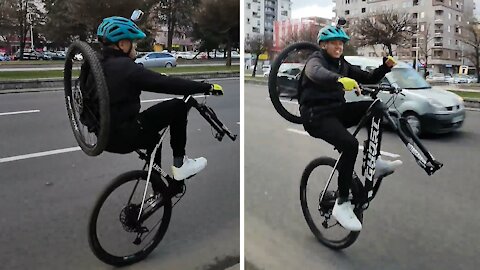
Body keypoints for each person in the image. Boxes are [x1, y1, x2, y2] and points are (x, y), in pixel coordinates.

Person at [298, 25, 403, 231]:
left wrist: (385, 67)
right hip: (315, 116)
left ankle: (374, 162)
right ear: (323, 45)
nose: (338, 46)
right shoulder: (315, 60)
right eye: (334, 43)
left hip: (335, 111)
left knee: (376, 107)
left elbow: (368, 78)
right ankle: (342, 203)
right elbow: (316, 73)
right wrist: (339, 80)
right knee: (350, 145)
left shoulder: (342, 64)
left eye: (341, 43)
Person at [96, 16, 223, 181]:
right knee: (178, 106)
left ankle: (158, 189)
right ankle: (180, 165)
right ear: (122, 44)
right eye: (132, 42)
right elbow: (167, 84)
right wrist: (206, 87)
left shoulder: (94, 65)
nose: (135, 46)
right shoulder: (127, 68)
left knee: (153, 139)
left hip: (101, 136)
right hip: (124, 135)